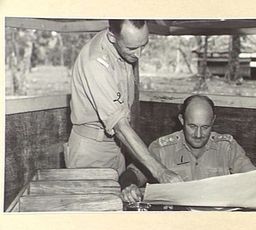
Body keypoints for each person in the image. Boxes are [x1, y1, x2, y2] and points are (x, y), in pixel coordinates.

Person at [120, 94, 256, 210]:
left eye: (205, 127)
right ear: (181, 120)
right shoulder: (162, 147)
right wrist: (129, 187)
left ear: (213, 121)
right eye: (192, 126)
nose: (198, 134)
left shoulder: (227, 146)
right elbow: (133, 173)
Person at [65, 19, 182, 184]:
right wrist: (160, 172)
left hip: (117, 145)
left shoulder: (123, 47)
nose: (139, 54)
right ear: (112, 36)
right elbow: (120, 126)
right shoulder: (96, 63)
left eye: (144, 45)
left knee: (120, 200)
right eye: (132, 48)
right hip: (91, 150)